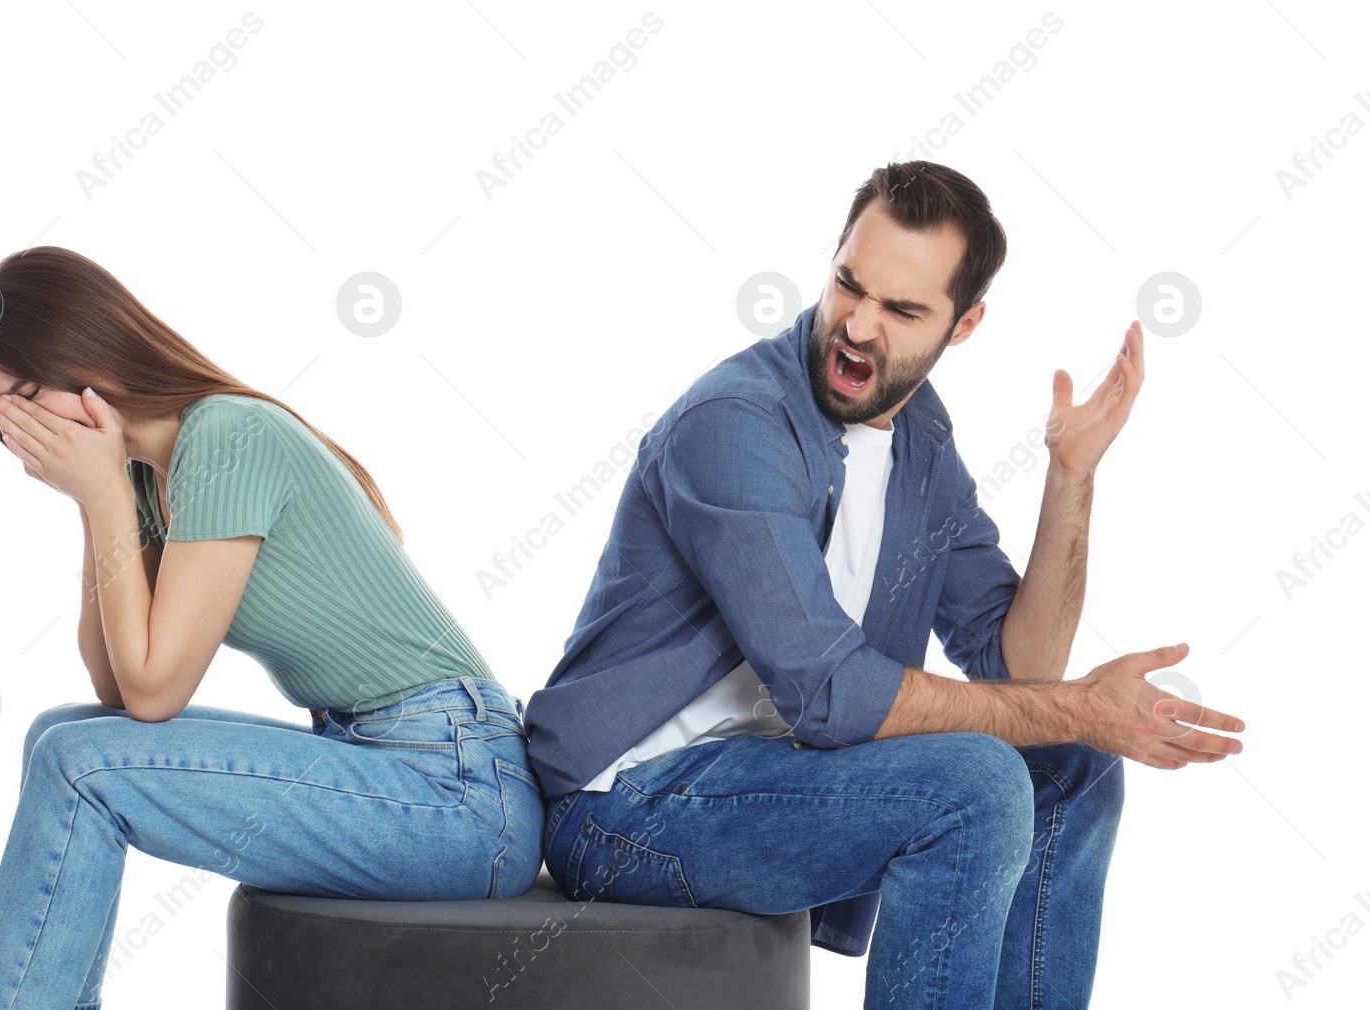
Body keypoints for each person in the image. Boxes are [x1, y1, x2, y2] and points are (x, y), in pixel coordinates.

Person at [522, 160, 1245, 1009]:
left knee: (1073, 763)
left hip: (764, 778)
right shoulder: (736, 423)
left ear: (964, 323)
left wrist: (1071, 476)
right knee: (975, 785)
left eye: (902, 310)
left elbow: (1020, 668)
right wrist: (1076, 703)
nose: (858, 326)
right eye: (848, 286)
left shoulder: (920, 440)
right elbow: (831, 692)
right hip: (624, 803)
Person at [0, 246, 543, 1009]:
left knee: (81, 762)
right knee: (57, 732)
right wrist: (96, 500)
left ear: (88, 353)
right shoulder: (144, 477)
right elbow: (112, 684)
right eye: (0, 411)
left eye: (27, 394)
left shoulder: (226, 437)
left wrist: (100, 497)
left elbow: (156, 692)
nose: (20, 427)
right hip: (374, 754)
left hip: (462, 790)